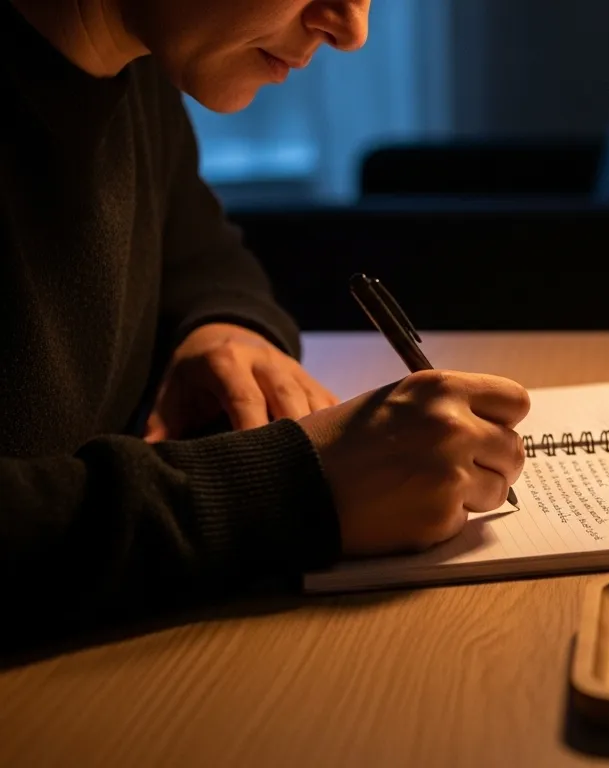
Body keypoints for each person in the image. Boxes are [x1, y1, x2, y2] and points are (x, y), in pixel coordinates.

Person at [0, 0, 528, 651]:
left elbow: (201, 255)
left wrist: (225, 334)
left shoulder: (132, 70)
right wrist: (286, 494)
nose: (351, 29)